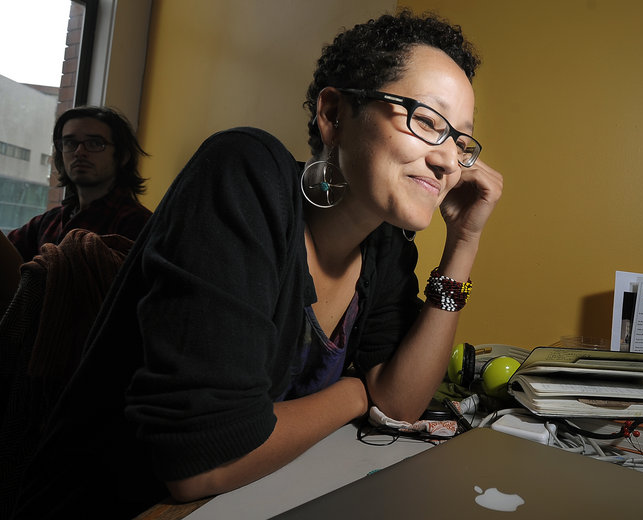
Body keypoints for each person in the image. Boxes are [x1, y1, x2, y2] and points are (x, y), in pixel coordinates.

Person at [9, 10, 503, 518]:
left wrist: (464, 240)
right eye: (426, 120)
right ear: (333, 115)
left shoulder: (387, 248)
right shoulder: (246, 174)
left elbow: (400, 404)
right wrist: (357, 393)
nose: (448, 160)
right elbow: (202, 461)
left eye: (462, 142)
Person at [6, 105, 152, 262]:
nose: (79, 152)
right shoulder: (48, 221)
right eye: (70, 143)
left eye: (95, 143)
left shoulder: (140, 225)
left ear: (122, 156)